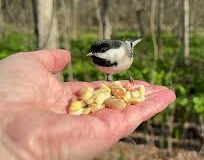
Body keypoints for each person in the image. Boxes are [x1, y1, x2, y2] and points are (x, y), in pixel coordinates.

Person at [0, 49, 175, 159]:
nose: (93, 55)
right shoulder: (97, 62)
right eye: (93, 53)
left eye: (98, 52)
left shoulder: (121, 53)